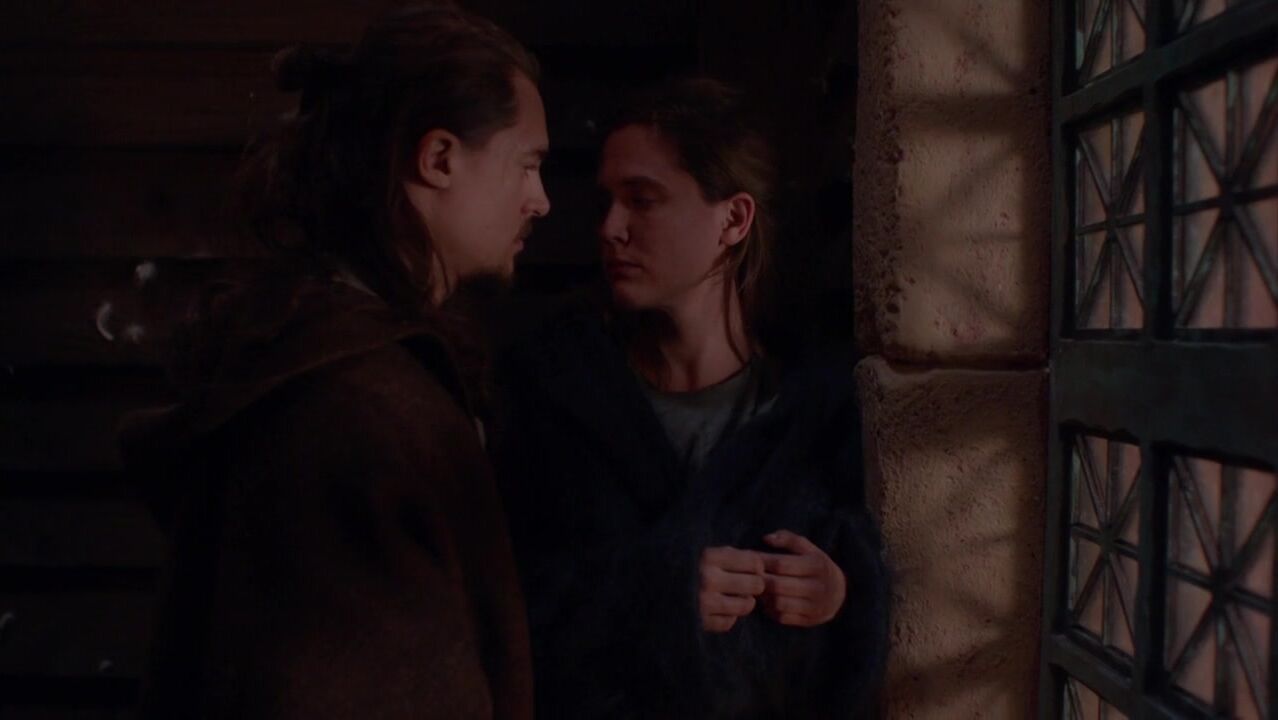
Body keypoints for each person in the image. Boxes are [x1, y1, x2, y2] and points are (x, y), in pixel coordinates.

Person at [120, 4, 549, 718]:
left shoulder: (344, 370)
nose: (541, 200)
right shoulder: (355, 407)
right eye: (527, 165)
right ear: (439, 159)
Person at [492, 77, 890, 719]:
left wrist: (840, 593)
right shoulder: (551, 393)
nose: (611, 229)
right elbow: (506, 611)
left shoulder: (815, 412)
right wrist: (659, 591)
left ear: (733, 219)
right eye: (605, 202)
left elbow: (861, 613)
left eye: (643, 201)